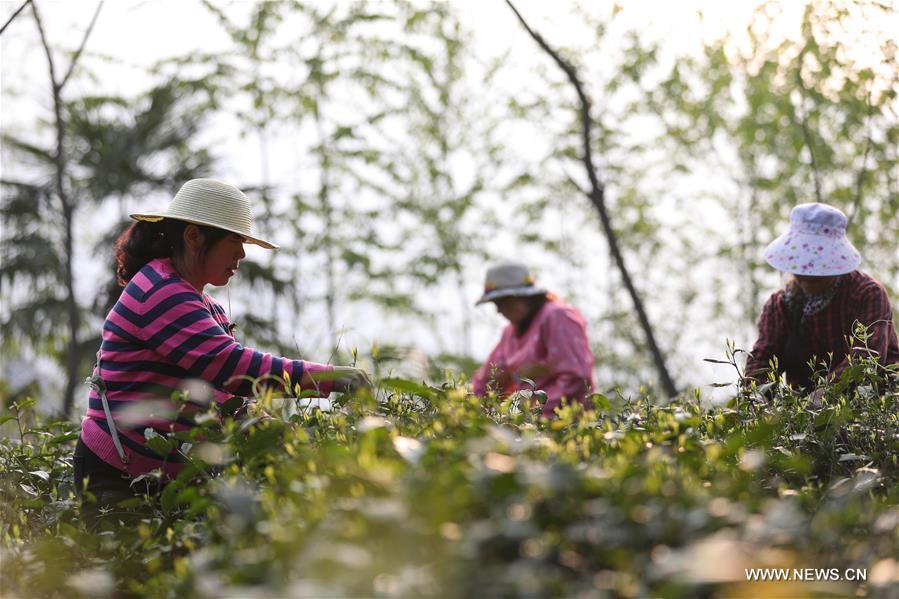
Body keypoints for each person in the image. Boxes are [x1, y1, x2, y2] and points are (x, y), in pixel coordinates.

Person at [74, 178, 371, 516]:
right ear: (193, 236)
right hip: (117, 476)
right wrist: (331, 378)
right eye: (234, 240)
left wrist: (290, 443)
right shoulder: (160, 290)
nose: (241, 254)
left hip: (163, 479)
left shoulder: (203, 305)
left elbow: (227, 397)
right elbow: (234, 370)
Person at [744, 202, 899, 393]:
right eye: (804, 263)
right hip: (804, 410)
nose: (810, 274)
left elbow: (867, 358)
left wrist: (826, 393)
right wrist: (754, 394)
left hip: (875, 403)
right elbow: (763, 356)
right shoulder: (780, 306)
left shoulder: (866, 295)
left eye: (819, 264)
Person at [471, 261, 595, 418]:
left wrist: (531, 417)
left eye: (503, 301)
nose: (499, 310)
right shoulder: (510, 333)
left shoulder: (556, 316)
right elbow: (487, 380)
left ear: (523, 297)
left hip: (565, 424)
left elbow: (575, 377)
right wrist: (470, 410)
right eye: (496, 303)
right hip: (527, 425)